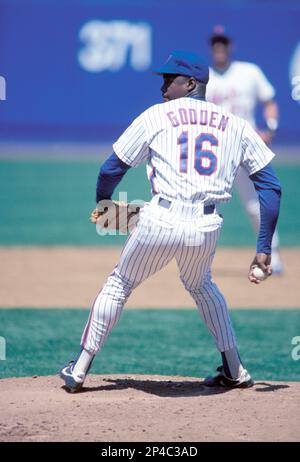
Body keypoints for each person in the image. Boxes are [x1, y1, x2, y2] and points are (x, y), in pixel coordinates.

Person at [60, 51, 281, 393]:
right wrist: (264, 248)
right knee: (202, 286)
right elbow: (270, 185)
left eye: (170, 79)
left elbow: (111, 168)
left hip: (160, 218)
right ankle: (235, 369)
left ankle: (79, 368)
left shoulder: (155, 117)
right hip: (206, 227)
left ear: (191, 84)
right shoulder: (236, 124)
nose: (163, 86)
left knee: (119, 284)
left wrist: (104, 205)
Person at [206, 25, 283, 273]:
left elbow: (269, 101)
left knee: (256, 204)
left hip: (246, 146)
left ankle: (272, 255)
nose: (220, 47)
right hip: (216, 150)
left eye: (223, 43)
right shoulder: (204, 77)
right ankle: (197, 256)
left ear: (230, 46)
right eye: (216, 43)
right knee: (206, 203)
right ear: (211, 48)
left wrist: (270, 128)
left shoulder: (249, 72)